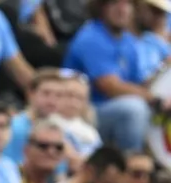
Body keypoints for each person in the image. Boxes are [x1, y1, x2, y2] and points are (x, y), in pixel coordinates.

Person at [62, 0, 154, 153]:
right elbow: (110, 86)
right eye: (114, 3)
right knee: (133, 109)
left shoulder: (128, 41)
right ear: (101, 7)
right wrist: (153, 98)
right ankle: (130, 164)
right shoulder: (91, 36)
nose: (122, 9)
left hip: (108, 111)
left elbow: (141, 84)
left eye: (127, 4)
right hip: (83, 112)